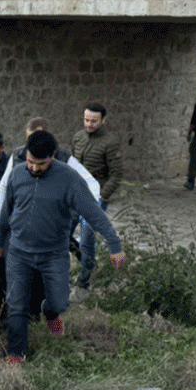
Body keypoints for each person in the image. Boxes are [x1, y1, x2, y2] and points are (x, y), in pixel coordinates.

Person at [0, 130, 126, 364]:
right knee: (16, 303)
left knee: (60, 301)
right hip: (19, 252)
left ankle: (50, 312)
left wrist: (114, 245)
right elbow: (6, 214)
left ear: (53, 156)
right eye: (31, 162)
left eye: (40, 164)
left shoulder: (69, 180)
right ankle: (16, 353)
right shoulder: (16, 175)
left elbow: (94, 214)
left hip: (53, 253)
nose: (34, 168)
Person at [69, 102, 124, 291]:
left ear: (103, 121)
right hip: (74, 196)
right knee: (63, 234)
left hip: (95, 199)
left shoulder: (110, 142)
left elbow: (117, 174)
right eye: (86, 120)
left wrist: (102, 197)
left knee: (86, 238)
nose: (89, 124)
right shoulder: (78, 137)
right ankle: (85, 264)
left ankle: (83, 282)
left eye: (94, 121)